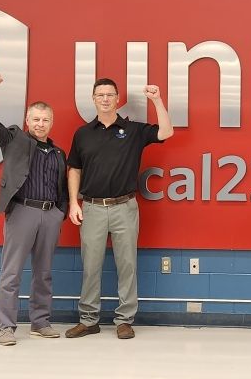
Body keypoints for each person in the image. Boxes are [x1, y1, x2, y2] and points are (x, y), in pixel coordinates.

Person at [65, 79, 173, 340]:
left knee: (127, 265)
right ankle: (89, 320)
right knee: (91, 266)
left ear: (117, 98)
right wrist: (73, 203)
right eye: (99, 95)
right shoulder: (83, 133)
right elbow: (74, 170)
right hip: (92, 208)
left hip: (125, 207)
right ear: (93, 99)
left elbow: (166, 133)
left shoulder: (133, 130)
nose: (104, 99)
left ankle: (124, 320)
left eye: (109, 94)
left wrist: (157, 100)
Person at [0, 72, 68, 347]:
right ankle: (6, 327)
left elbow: (62, 184)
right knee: (12, 272)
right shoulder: (13, 139)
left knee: (44, 272)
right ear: (27, 121)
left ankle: (40, 322)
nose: (41, 124)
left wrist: (59, 212)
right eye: (36, 119)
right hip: (22, 212)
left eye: (46, 120)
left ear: (52, 122)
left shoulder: (58, 153)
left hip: (50, 214)